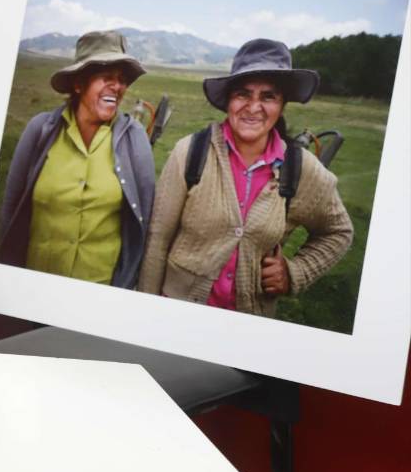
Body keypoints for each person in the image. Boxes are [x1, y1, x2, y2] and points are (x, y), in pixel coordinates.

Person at [138, 39, 352, 316]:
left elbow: (339, 231)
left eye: (268, 96)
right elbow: (157, 240)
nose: (253, 107)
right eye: (243, 94)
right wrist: (145, 312)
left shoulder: (301, 168)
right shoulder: (190, 152)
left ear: (282, 104)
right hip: (176, 312)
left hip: (250, 324)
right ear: (228, 99)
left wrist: (295, 271)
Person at [0, 30, 154, 288]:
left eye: (121, 80)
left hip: (100, 290)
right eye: (106, 77)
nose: (117, 86)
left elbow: (144, 220)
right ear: (79, 84)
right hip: (34, 286)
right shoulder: (40, 131)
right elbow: (11, 208)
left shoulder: (135, 138)